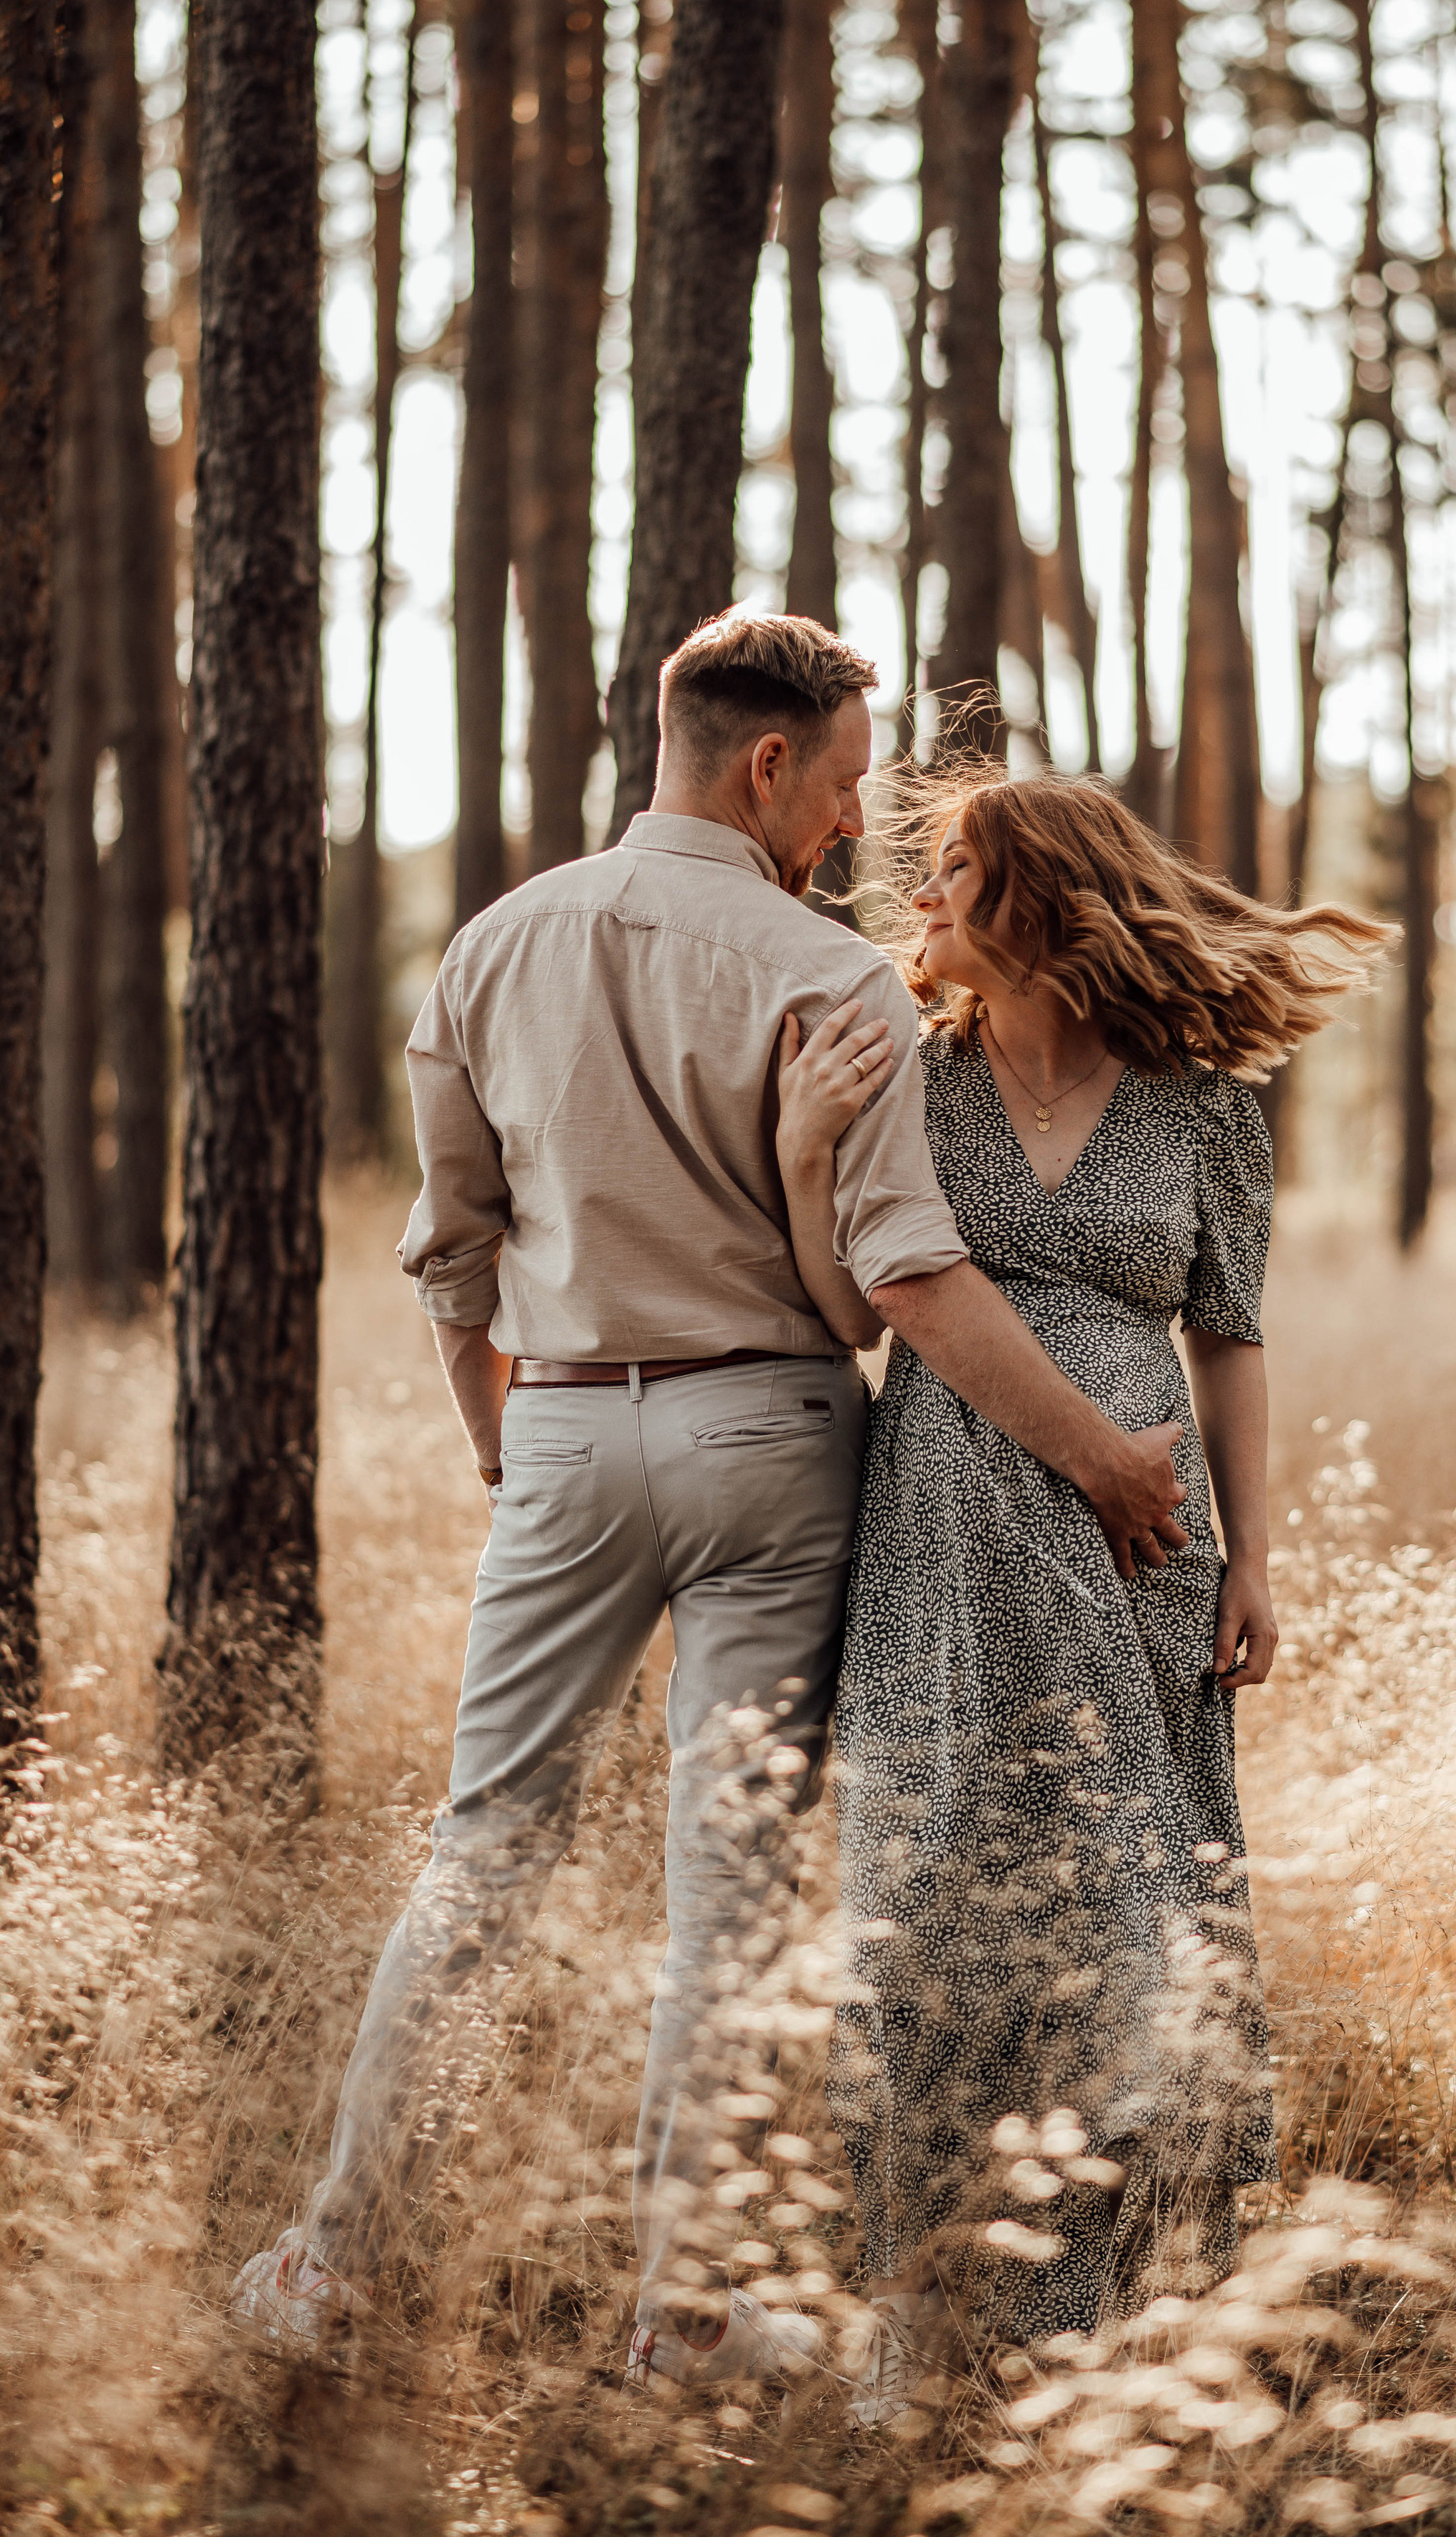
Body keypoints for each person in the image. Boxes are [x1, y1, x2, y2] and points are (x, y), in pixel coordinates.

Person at [230, 615, 1193, 2386]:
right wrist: (1107, 1456)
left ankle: (328, 2269)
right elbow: (902, 1269)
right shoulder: (826, 980)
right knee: (726, 1892)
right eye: (838, 788)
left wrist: (507, 1450)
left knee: (483, 1851)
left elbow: (450, 1255)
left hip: (567, 1435)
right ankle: (677, 2317)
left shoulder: (493, 947)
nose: (845, 830)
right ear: (766, 766)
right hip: (772, 1446)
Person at [775, 768, 1389, 2420]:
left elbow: (1229, 1334)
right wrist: (806, 1141)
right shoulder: (909, 1071)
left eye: (956, 866)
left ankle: (1095, 2317)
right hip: (947, 1534)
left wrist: (1251, 1553)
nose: (919, 890)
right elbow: (850, 1306)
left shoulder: (1198, 1100)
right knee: (927, 1910)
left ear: (1041, 895)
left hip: (1139, 1548)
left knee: (1131, 1909)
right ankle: (911, 2315)